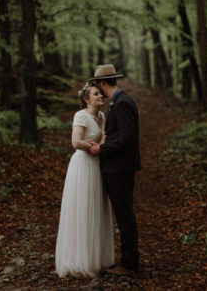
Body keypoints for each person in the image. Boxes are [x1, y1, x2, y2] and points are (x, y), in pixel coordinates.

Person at [55, 82, 114, 278]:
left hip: (97, 165)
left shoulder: (102, 116)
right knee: (83, 209)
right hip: (83, 165)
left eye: (100, 94)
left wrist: (102, 144)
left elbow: (103, 138)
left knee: (96, 208)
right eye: (96, 94)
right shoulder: (80, 116)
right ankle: (80, 260)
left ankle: (96, 258)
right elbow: (75, 142)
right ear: (86, 99)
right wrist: (92, 145)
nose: (100, 97)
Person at [89, 64, 141, 277]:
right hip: (117, 168)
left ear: (102, 83)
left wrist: (102, 147)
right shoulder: (118, 102)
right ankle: (129, 260)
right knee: (123, 214)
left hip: (120, 169)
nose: (96, 90)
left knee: (124, 215)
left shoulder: (123, 103)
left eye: (96, 85)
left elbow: (127, 137)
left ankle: (129, 264)